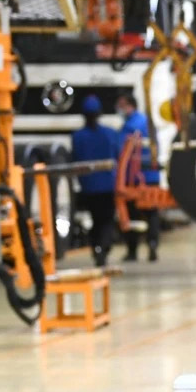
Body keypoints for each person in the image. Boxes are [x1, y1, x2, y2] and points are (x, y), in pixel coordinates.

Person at [70, 96, 121, 267]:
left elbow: (75, 160)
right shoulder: (110, 134)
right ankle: (104, 248)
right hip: (108, 186)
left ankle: (97, 248)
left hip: (89, 187)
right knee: (107, 220)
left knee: (95, 220)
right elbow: (118, 156)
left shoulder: (77, 137)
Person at [115, 92, 161, 262]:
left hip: (134, 179)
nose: (119, 109)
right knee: (152, 213)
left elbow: (121, 153)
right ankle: (153, 245)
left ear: (130, 105)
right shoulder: (146, 123)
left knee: (132, 214)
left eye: (122, 105)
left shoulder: (131, 126)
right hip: (152, 175)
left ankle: (132, 250)